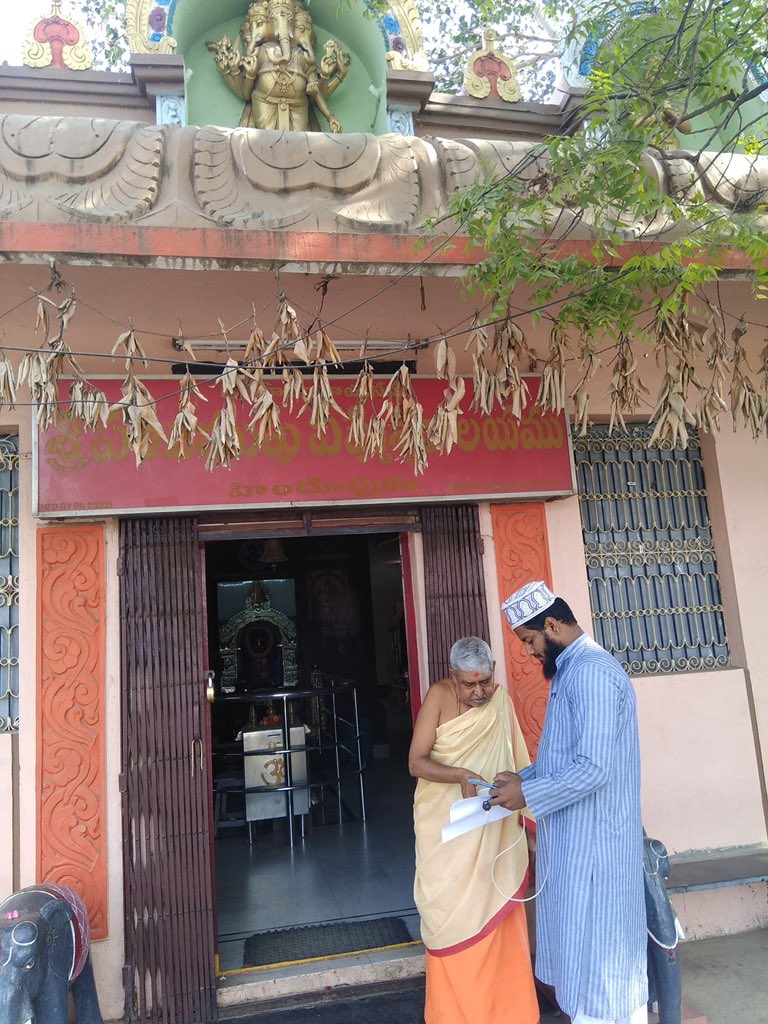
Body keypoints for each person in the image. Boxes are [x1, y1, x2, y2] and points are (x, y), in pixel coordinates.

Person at [490, 582, 648, 1024]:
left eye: (530, 641)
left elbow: (594, 769)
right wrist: (518, 780)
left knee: (603, 972)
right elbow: (564, 759)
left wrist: (528, 794)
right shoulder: (572, 671)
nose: (529, 653)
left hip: (597, 848)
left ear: (553, 625)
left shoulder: (592, 672)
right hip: (579, 845)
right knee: (582, 960)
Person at [408, 636, 539, 1024]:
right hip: (445, 831)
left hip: (494, 831)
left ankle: (511, 1014)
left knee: (496, 905)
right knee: (450, 918)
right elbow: (415, 762)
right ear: (454, 677)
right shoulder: (437, 696)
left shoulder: (501, 701)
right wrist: (460, 774)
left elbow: (519, 761)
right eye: (469, 684)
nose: (479, 691)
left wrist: (528, 826)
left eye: (485, 681)